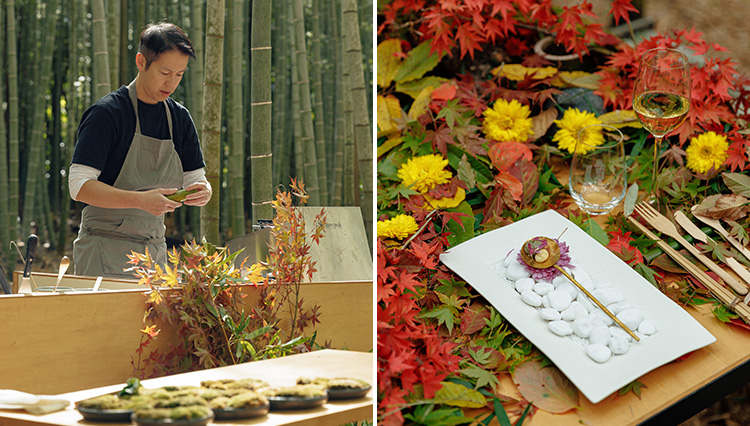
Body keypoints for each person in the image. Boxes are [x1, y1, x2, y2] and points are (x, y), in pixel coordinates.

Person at [69, 22, 212, 278]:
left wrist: (204, 191)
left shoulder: (180, 118)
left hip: (154, 253)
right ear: (141, 61)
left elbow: (195, 179)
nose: (171, 82)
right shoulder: (107, 114)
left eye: (179, 74)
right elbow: (78, 186)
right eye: (165, 72)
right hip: (102, 249)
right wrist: (141, 200)